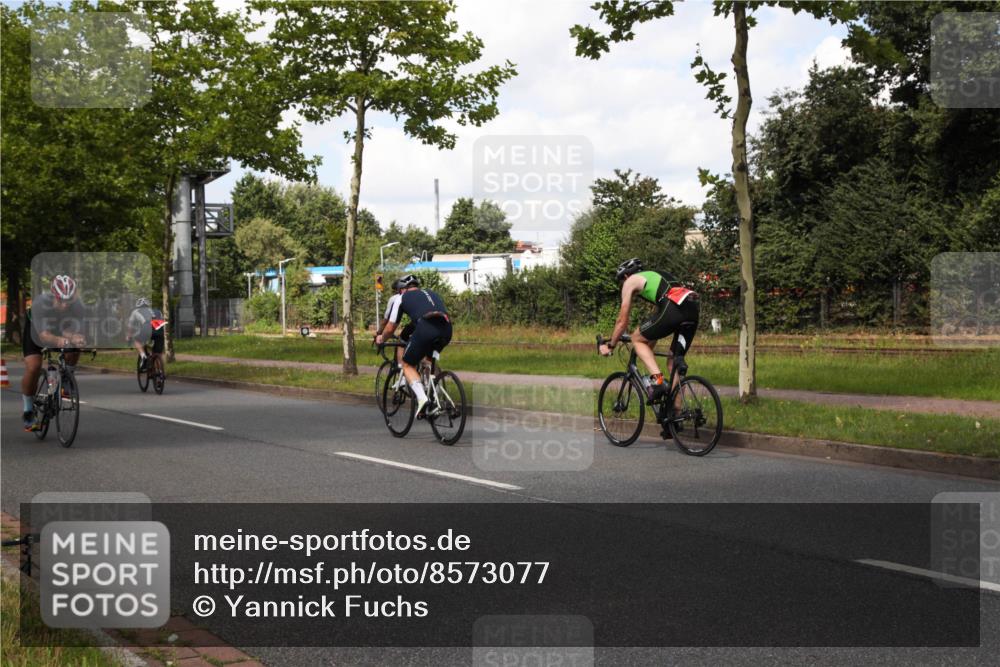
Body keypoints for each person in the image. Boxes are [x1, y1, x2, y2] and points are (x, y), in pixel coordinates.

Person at [598, 258, 699, 417]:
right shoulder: (656, 276)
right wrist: (648, 341)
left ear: (625, 276)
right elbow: (658, 321)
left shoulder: (630, 281)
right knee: (674, 362)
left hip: (673, 308)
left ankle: (658, 382)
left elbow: (622, 320)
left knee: (636, 338)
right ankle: (676, 414)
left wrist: (611, 344)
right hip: (692, 309)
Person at [375, 274, 452, 417]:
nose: (398, 293)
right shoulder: (431, 293)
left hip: (426, 327)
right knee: (429, 361)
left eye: (398, 290)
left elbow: (391, 326)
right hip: (447, 329)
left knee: (407, 364)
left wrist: (381, 337)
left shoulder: (400, 298)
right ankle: (437, 397)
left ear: (402, 289)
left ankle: (423, 399)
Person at [21, 275, 87, 431]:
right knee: (34, 366)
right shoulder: (40, 304)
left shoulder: (78, 306)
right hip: (36, 332)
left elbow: (73, 331)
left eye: (68, 301)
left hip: (60, 328)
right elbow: (44, 336)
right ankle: (28, 410)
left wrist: (77, 338)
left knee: (75, 346)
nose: (64, 305)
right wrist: (62, 341)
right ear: (53, 296)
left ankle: (66, 380)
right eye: (60, 301)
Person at [127, 297, 165, 373]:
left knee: (136, 339)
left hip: (147, 329)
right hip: (160, 330)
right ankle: (160, 373)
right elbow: (162, 322)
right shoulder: (158, 311)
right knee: (158, 353)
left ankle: (143, 356)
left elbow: (130, 326)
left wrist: (129, 336)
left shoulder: (136, 311)